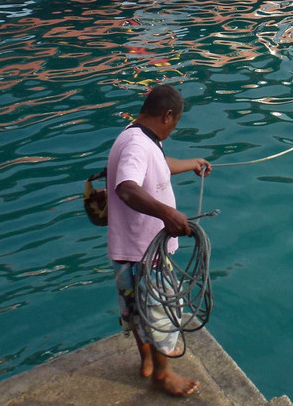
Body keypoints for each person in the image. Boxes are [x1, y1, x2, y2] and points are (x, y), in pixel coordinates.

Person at [106, 84, 212, 397]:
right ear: (167, 115)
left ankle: (147, 363)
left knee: (136, 308)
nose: (174, 127)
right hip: (145, 253)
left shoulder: (136, 136)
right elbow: (127, 186)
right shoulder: (139, 146)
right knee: (161, 312)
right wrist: (169, 214)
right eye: (175, 122)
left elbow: (158, 165)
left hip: (128, 250)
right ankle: (163, 375)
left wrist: (191, 163)